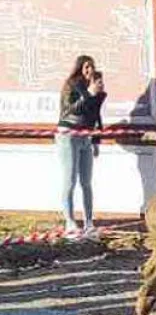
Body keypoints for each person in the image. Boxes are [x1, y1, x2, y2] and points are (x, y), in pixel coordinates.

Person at [57, 56, 106, 238]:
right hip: (68, 135)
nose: (90, 69)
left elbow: (95, 116)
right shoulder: (72, 84)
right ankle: (70, 222)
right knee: (70, 180)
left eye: (92, 66)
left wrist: (96, 141)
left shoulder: (95, 88)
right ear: (80, 68)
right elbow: (70, 110)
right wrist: (89, 93)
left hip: (86, 136)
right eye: (86, 66)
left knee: (86, 182)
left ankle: (89, 222)